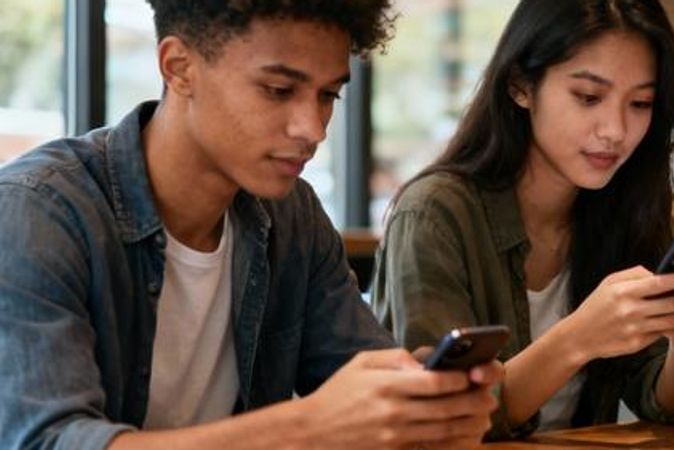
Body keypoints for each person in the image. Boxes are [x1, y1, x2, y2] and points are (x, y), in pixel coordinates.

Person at [0, 2, 503, 450]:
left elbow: (358, 377)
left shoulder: (292, 216)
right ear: (179, 67)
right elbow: (49, 440)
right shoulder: (37, 212)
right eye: (278, 90)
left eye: (328, 95)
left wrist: (424, 406)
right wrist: (307, 429)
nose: (313, 129)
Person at [372, 0, 674, 440]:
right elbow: (442, 419)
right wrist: (578, 338)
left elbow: (668, 406)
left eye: (640, 102)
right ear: (520, 85)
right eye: (589, 97)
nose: (615, 130)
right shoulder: (435, 214)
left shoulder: (623, 207)